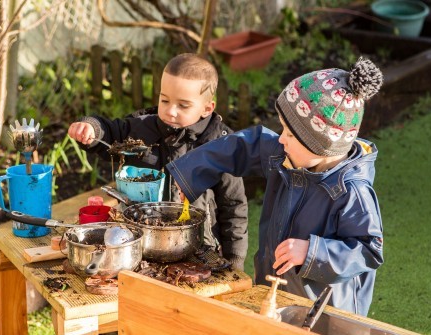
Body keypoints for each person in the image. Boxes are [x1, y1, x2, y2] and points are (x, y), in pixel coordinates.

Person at [165, 58, 384, 316]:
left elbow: (368, 250)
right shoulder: (285, 153)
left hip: (324, 314)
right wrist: (191, 171)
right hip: (272, 294)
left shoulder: (351, 191)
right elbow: (244, 145)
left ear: (320, 146)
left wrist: (314, 252)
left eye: (290, 134)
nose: (281, 138)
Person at [67, 53, 248, 270]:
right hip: (140, 241)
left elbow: (234, 206)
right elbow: (111, 132)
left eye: (183, 105)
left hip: (199, 248)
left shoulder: (222, 145)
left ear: (207, 108)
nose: (170, 111)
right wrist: (91, 128)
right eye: (164, 100)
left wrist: (235, 259)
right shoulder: (141, 130)